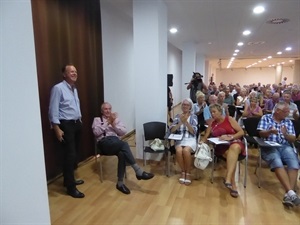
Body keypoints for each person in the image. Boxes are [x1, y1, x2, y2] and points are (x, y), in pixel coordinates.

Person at [92, 102, 154, 195]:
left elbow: (123, 132)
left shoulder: (116, 120)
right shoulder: (97, 119)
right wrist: (106, 123)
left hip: (115, 142)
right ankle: (138, 171)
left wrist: (113, 125)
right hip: (104, 143)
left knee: (122, 153)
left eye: (109, 109)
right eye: (105, 109)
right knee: (124, 144)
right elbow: (96, 132)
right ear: (102, 111)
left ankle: (120, 183)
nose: (108, 111)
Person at [48, 64, 85, 198]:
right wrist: (57, 128)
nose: (74, 73)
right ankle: (71, 188)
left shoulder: (74, 88)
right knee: (69, 156)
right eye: (71, 71)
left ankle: (68, 180)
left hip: (76, 124)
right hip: (66, 125)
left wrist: (79, 120)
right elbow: (53, 109)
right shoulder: (58, 88)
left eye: (75, 71)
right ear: (64, 74)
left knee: (74, 155)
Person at [257, 102, 300, 207]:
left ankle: (288, 194)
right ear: (277, 111)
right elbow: (260, 133)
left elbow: (293, 139)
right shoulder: (266, 118)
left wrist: (285, 134)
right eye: (285, 111)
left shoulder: (288, 122)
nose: (287, 113)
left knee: (294, 162)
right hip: (269, 146)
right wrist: (269, 131)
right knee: (277, 161)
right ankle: (291, 192)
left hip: (284, 146)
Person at [201, 103, 245, 198]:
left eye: (214, 112)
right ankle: (231, 183)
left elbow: (241, 132)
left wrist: (231, 137)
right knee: (231, 155)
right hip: (222, 147)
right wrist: (201, 142)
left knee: (235, 147)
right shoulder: (212, 123)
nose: (212, 114)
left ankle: (230, 180)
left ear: (220, 112)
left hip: (234, 142)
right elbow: (206, 136)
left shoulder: (229, 119)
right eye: (211, 112)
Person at [168, 98, 198, 185]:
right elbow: (172, 130)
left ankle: (188, 173)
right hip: (180, 138)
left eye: (187, 105)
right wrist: (181, 122)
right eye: (183, 105)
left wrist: (187, 123)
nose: (185, 106)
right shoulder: (177, 116)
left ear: (190, 107)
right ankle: (183, 171)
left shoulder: (193, 117)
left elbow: (194, 131)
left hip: (190, 138)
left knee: (186, 151)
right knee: (178, 150)